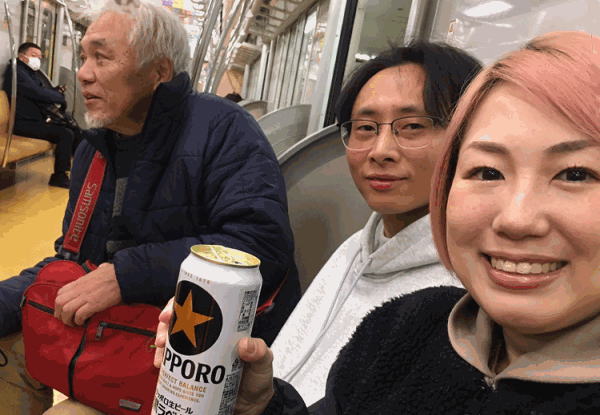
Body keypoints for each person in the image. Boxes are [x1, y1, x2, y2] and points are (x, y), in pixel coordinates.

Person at [220, 30, 600, 414]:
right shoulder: (406, 323)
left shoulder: (448, 294)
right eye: (488, 172)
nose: (516, 219)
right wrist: (263, 404)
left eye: (576, 174)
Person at [0, 1, 300, 414]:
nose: (83, 73)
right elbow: (72, 260)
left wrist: (127, 274)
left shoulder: (224, 130)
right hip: (117, 334)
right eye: (84, 56)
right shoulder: (94, 150)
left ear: (158, 71)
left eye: (102, 57)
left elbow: (260, 246)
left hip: (190, 362)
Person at [155, 42, 482, 405]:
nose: (380, 151)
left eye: (413, 126)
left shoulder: (466, 301)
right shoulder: (356, 248)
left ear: (471, 137)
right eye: (364, 127)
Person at [2, 42, 76, 188]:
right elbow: (37, 92)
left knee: (72, 128)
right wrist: (59, 98)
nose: (37, 60)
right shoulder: (17, 72)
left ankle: (82, 168)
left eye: (39, 57)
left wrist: (55, 92)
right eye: (33, 55)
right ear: (22, 57)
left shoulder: (30, 73)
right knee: (65, 134)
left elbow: (40, 91)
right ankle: (59, 176)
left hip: (34, 120)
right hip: (22, 123)